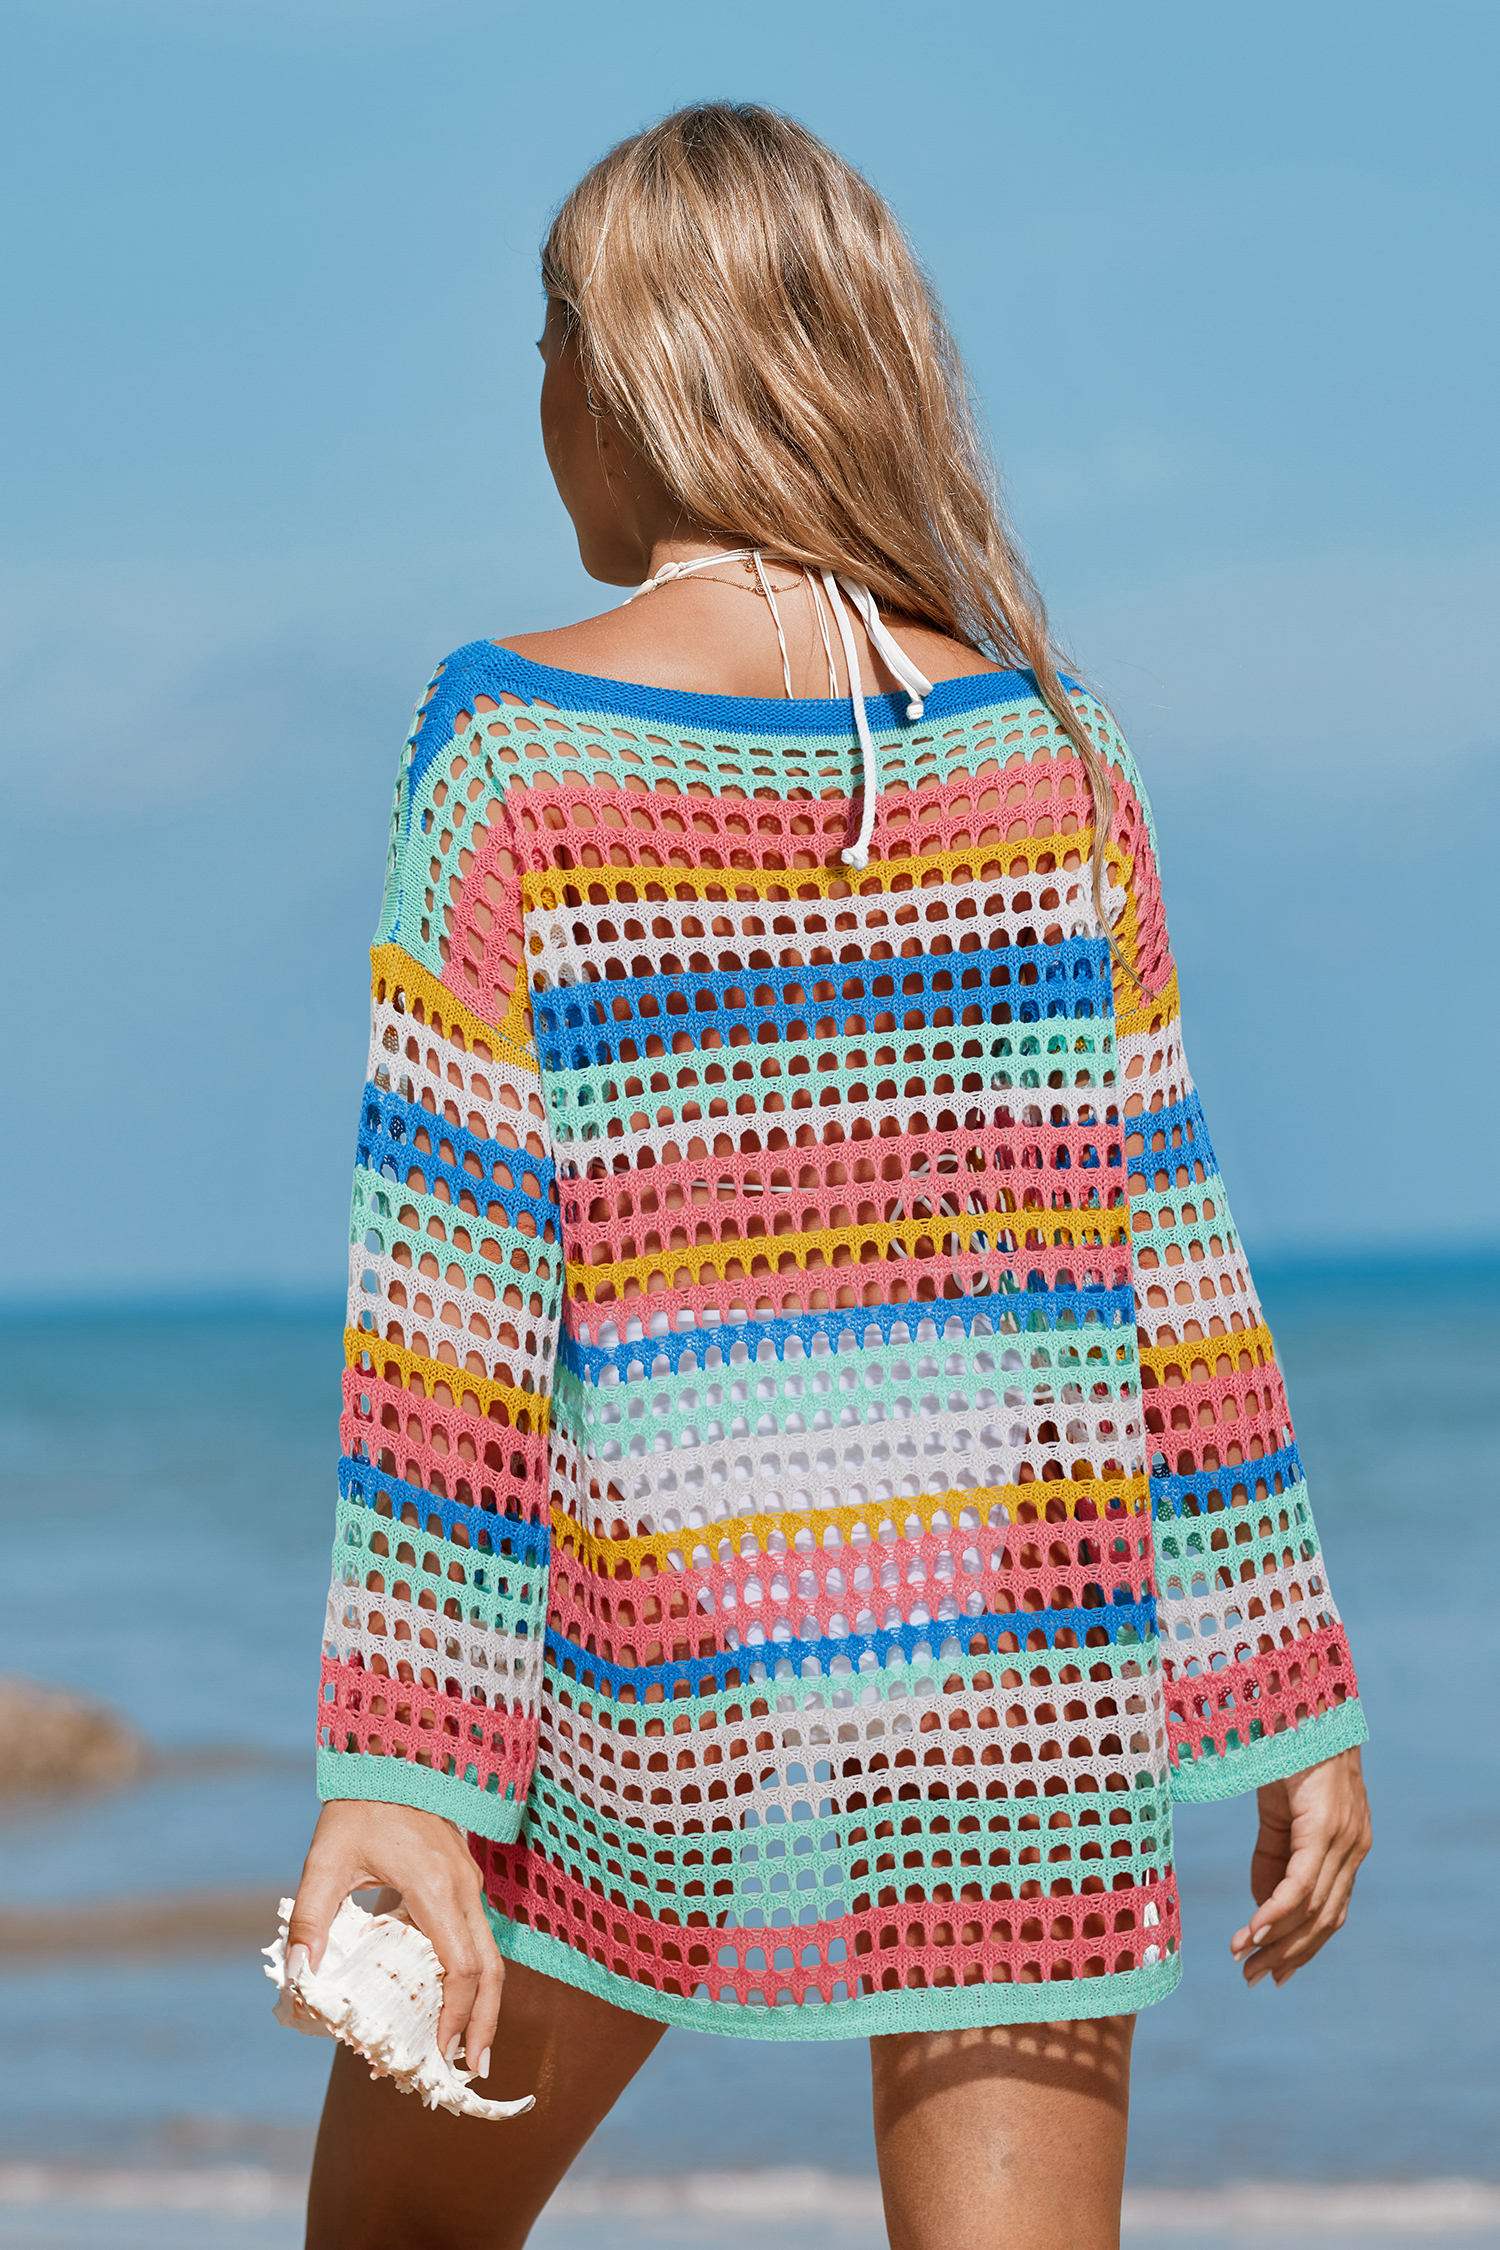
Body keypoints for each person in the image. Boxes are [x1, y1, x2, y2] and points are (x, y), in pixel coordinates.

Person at [287, 102, 1372, 2250]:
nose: (538, 400)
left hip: (650, 1644)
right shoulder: (1059, 752)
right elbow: (1167, 1255)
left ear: (622, 371)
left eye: (546, 345)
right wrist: (1291, 1690)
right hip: (1011, 1641)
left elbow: (454, 1303)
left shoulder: (511, 745)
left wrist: (399, 1766)